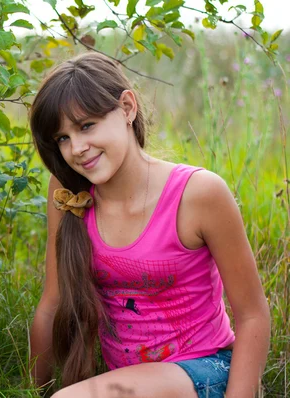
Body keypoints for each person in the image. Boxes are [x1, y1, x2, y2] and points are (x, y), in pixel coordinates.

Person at [28, 51, 271, 398]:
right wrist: (34, 389)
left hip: (205, 371)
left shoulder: (198, 194)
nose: (77, 148)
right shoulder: (69, 191)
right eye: (62, 138)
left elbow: (253, 316)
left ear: (127, 108)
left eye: (86, 126)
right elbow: (52, 302)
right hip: (128, 383)